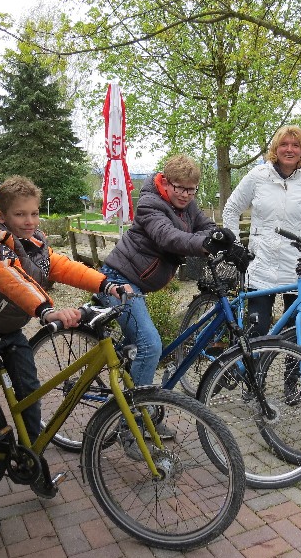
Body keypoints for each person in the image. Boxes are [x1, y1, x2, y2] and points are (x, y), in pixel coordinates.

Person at [0, 176, 119, 536]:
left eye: (33, 214)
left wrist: (106, 283)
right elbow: (11, 279)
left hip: (9, 334)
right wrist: (47, 310)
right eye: (19, 214)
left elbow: (63, 267)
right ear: (1, 215)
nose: (29, 221)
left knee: (31, 398)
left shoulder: (36, 243)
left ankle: (30, 462)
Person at [98, 154, 234, 455]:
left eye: (192, 189)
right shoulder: (150, 204)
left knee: (147, 348)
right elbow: (168, 237)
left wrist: (219, 237)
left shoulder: (188, 205)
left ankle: (146, 411)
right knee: (150, 345)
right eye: (180, 188)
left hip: (138, 283)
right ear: (166, 183)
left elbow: (205, 225)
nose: (186, 194)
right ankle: (129, 426)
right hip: (118, 280)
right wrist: (203, 242)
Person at [222, 125, 301, 399]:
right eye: (284, 144)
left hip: (296, 266)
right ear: (275, 149)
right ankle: (254, 384)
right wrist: (234, 247)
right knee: (258, 327)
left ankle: (291, 385)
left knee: (295, 329)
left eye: (295, 145)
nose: (289, 149)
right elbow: (231, 209)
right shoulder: (258, 176)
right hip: (262, 264)